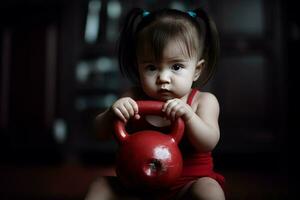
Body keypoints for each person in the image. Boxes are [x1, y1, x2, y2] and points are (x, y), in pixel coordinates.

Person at [86, 7, 225, 200]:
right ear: (138, 67)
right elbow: (97, 133)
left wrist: (189, 117)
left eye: (176, 67)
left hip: (186, 185)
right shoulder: (133, 96)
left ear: (197, 70)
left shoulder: (203, 102)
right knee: (100, 185)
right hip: (137, 185)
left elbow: (208, 142)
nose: (163, 78)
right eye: (151, 67)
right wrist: (112, 113)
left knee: (210, 189)